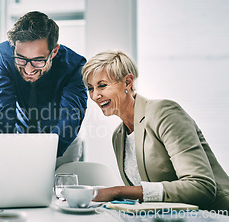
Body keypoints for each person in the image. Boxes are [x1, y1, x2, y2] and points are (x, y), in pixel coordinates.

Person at [82, 50, 229, 210]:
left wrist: (118, 191)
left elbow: (201, 187)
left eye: (102, 85)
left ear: (128, 82)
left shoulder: (164, 112)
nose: (95, 95)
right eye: (90, 88)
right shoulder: (118, 136)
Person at [0, 11, 87, 157]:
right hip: (19, 137)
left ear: (54, 52)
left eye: (38, 60)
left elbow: (71, 117)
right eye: (21, 59)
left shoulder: (75, 65)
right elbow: (1, 108)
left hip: (62, 143)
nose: (28, 69)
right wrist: (7, 148)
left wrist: (46, 154)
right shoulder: (3, 55)